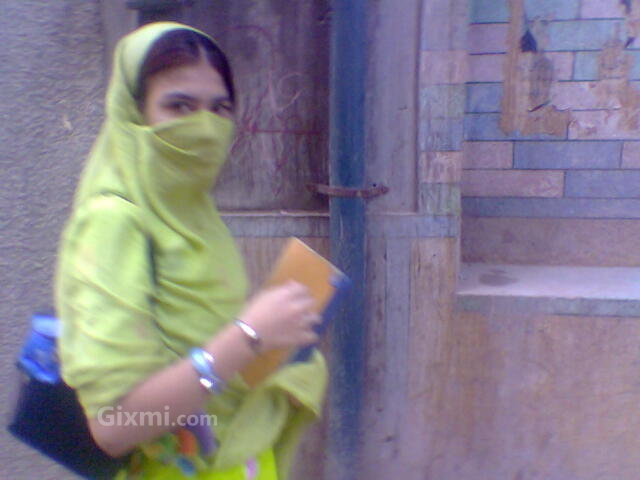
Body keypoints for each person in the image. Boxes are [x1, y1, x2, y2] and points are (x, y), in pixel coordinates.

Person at [55, 21, 328, 480]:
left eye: (219, 108)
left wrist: (270, 341)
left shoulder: (192, 213)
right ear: (134, 113)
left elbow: (200, 343)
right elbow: (115, 426)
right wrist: (249, 335)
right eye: (179, 106)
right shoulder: (114, 222)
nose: (204, 127)